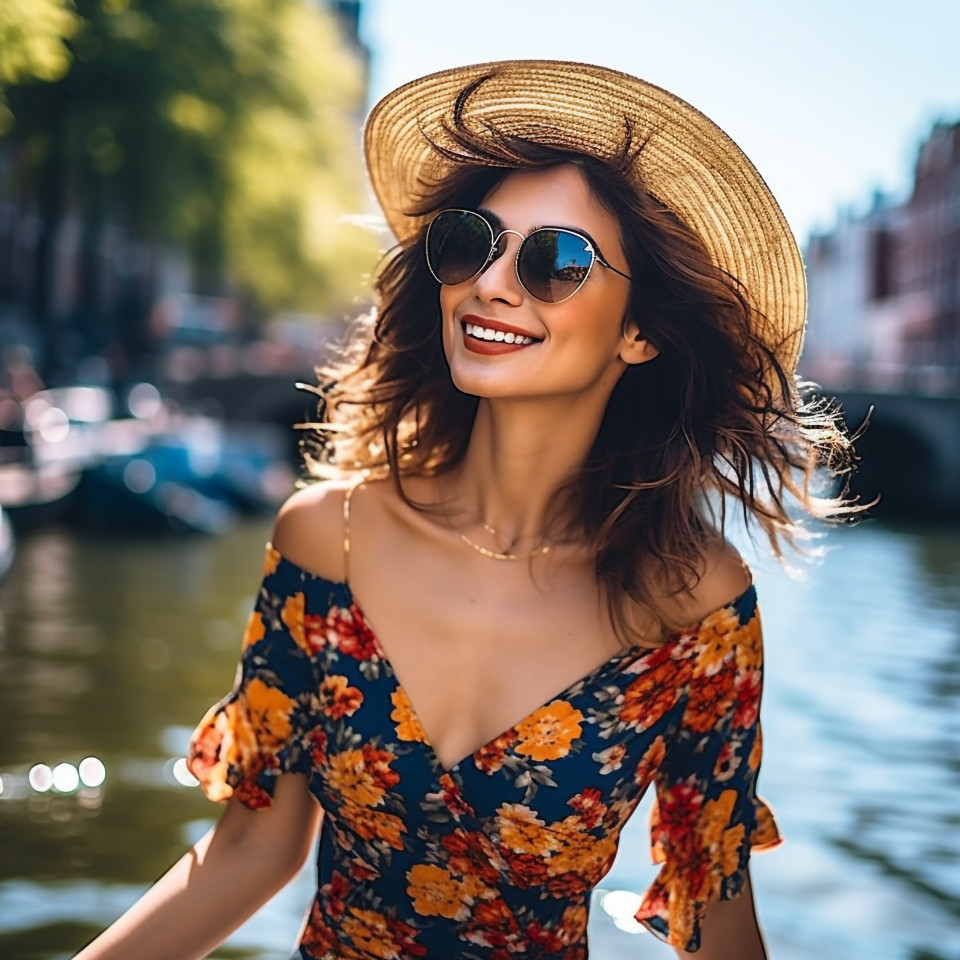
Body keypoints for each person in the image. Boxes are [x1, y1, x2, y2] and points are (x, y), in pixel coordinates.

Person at [74, 60, 859, 960]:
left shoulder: (696, 606)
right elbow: (251, 850)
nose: (490, 283)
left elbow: (716, 922)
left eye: (555, 261)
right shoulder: (324, 538)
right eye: (471, 243)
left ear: (640, 331)